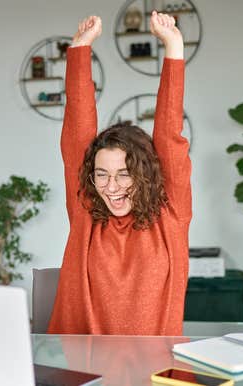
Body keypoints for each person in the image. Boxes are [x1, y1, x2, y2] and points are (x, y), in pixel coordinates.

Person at [47, 12, 191, 335]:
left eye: (124, 174)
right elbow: (77, 134)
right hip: (83, 361)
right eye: (101, 174)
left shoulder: (170, 213)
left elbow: (169, 133)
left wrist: (173, 46)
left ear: (145, 175)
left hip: (154, 364)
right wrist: (80, 50)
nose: (111, 187)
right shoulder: (86, 212)